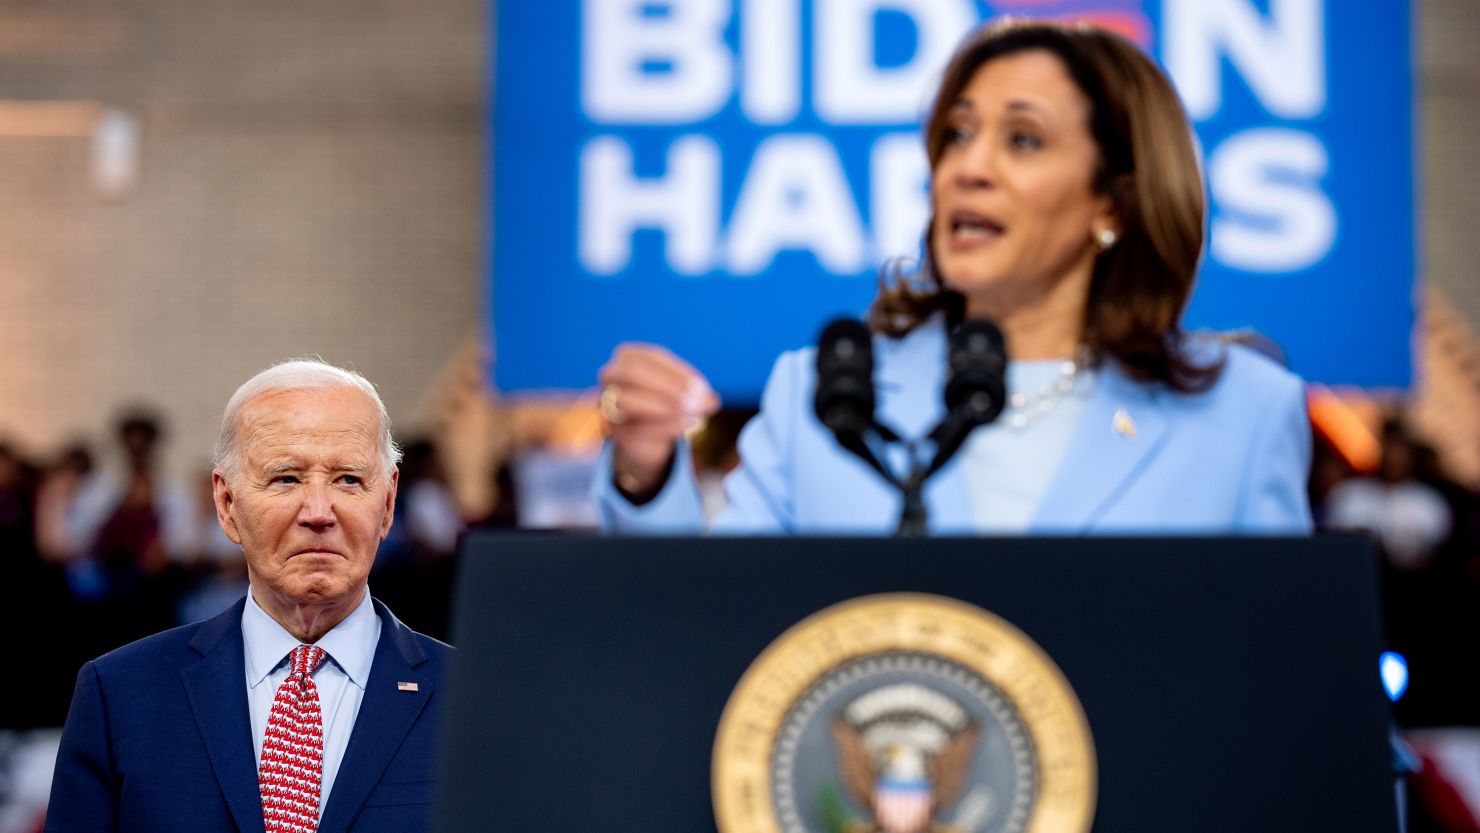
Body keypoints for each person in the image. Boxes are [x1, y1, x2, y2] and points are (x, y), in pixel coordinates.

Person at [594, 19, 1311, 535]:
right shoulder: (819, 397)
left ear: (1113, 203)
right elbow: (717, 630)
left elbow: (1288, 689)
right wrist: (647, 475)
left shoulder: (1244, 413)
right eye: (959, 134)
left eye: (1023, 140)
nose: (969, 167)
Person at [45, 359, 451, 833]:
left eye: (348, 479)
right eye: (286, 478)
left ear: (387, 504)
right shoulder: (120, 695)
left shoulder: (476, 698)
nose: (319, 512)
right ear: (227, 505)